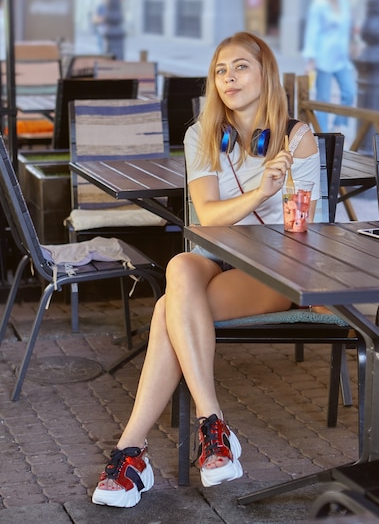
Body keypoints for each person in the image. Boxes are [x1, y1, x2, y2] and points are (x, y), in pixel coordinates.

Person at [91, 31, 321, 509]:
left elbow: (305, 227)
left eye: (240, 67)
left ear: (265, 73)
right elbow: (209, 215)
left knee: (168, 312)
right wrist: (261, 194)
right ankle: (213, 425)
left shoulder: (296, 137)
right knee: (180, 265)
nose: (229, 78)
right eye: (221, 70)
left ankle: (131, 453)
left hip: (274, 265)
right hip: (217, 256)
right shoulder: (201, 134)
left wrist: (283, 192)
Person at [303, 0, 355, 132]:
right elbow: (312, 32)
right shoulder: (319, 6)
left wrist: (353, 44)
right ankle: (323, 134)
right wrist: (310, 59)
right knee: (323, 99)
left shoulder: (344, 4)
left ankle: (339, 122)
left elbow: (347, 29)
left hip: (341, 58)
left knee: (349, 92)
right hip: (323, 57)